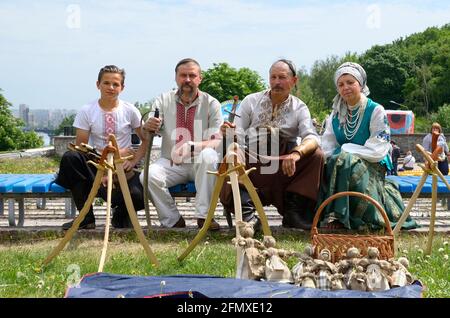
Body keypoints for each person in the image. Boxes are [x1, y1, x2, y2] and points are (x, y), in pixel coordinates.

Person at [219, 59, 324, 230]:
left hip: (284, 166)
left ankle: (293, 213)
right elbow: (237, 133)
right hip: (251, 159)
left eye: (282, 77)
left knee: (316, 155)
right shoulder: (250, 101)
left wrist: (296, 154)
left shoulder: (299, 107)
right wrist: (228, 132)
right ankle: (247, 215)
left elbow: (312, 137)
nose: (276, 82)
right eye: (273, 77)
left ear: (294, 81)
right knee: (232, 154)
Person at [319, 62, 417, 230]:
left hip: (373, 164)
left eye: (350, 82)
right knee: (323, 162)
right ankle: (327, 215)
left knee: (345, 160)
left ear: (361, 84)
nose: (345, 87)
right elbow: (327, 145)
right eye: (341, 84)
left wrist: (346, 151)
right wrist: (336, 155)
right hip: (341, 162)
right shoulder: (335, 114)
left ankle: (343, 216)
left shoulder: (375, 110)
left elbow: (378, 148)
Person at [55, 65, 147, 229]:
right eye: (106, 83)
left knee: (142, 195)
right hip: (96, 167)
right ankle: (86, 217)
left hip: (122, 169)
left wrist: (132, 162)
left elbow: (146, 140)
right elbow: (80, 148)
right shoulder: (87, 111)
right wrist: (106, 163)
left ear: (122, 87)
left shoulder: (130, 110)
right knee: (71, 158)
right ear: (98, 84)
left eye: (115, 84)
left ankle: (121, 214)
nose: (111, 88)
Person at [140, 58, 223, 230]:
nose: (187, 79)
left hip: (200, 161)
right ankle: (172, 219)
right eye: (183, 75)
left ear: (200, 78)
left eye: (192, 75)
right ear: (176, 77)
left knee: (208, 155)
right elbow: (150, 127)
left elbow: (217, 139)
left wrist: (193, 146)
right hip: (170, 161)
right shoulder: (163, 99)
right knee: (147, 175)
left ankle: (204, 217)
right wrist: (149, 125)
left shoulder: (211, 103)